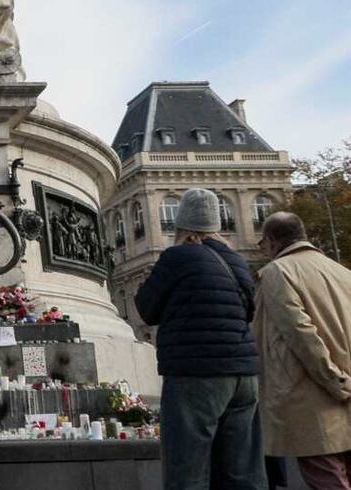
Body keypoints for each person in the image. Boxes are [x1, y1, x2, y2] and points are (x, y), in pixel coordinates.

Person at [136, 188, 266, 489]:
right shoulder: (235, 261)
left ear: (182, 224)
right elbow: (249, 311)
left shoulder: (177, 256)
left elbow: (146, 308)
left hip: (197, 374)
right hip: (243, 376)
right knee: (242, 470)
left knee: (188, 468)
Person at [254, 212, 351, 489]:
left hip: (313, 399)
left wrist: (336, 380)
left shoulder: (278, 272)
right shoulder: (341, 271)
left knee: (328, 481)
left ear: (271, 241)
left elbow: (301, 334)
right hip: (343, 398)